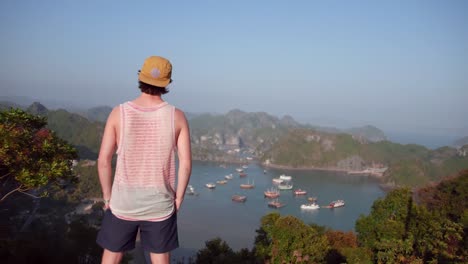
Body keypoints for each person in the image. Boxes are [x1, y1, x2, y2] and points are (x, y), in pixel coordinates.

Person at [96, 56, 192, 264]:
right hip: (160, 204)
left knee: (111, 257)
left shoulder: (118, 113)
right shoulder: (177, 116)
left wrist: (107, 198)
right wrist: (179, 199)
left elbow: (104, 161)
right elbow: (185, 164)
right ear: (168, 83)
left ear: (141, 76)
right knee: (160, 260)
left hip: (123, 203)